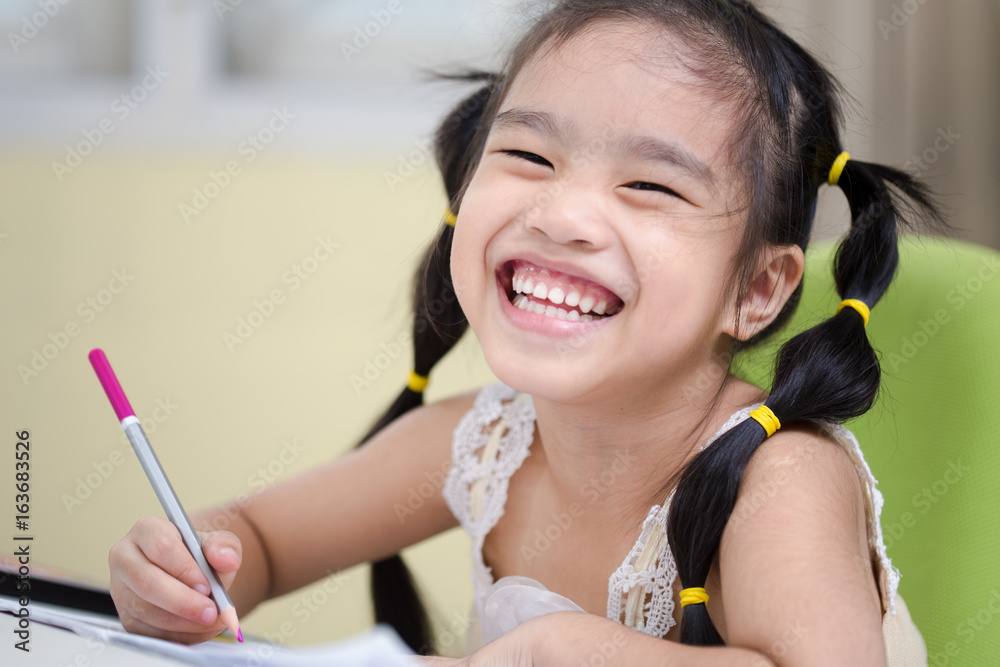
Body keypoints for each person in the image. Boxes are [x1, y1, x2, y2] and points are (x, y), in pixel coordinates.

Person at [108, 1, 946, 663]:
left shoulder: (780, 475)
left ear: (757, 290)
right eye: (531, 158)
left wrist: (575, 654)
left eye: (651, 185)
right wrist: (189, 570)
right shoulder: (481, 443)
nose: (564, 213)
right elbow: (261, 539)